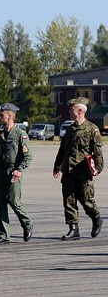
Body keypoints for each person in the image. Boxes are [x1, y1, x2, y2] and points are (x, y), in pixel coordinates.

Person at [54, 97, 103, 240]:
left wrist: (97, 169)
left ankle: (96, 218)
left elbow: (97, 152)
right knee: (69, 200)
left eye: (72, 109)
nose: (69, 111)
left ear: (80, 111)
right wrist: (57, 166)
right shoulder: (70, 129)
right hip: (68, 170)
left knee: (86, 200)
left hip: (83, 172)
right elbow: (62, 150)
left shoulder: (92, 129)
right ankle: (73, 228)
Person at [0, 103, 33, 243]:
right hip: (1, 173)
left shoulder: (19, 134)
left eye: (2, 115)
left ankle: (27, 224)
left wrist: (19, 170)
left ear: (10, 116)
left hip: (13, 172)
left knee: (14, 202)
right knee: (0, 203)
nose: (0, 117)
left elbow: (28, 156)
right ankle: (4, 234)